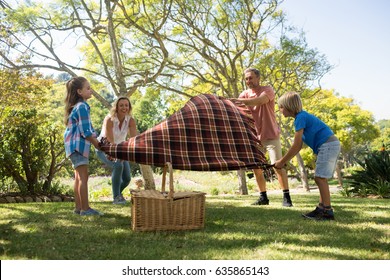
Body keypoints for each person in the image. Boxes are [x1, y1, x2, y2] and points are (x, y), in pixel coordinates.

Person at [275, 92, 341, 220]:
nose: (280, 110)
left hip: (327, 145)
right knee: (320, 178)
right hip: (329, 145)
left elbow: (297, 145)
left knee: (320, 178)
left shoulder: (300, 117)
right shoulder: (301, 117)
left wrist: (282, 161)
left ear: (289, 106)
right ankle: (321, 208)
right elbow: (299, 146)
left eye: (281, 107)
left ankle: (327, 211)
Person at [235, 68, 292, 207]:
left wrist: (238, 101)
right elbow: (236, 106)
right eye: (247, 79)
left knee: (277, 165)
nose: (249, 81)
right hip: (254, 137)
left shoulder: (268, 90)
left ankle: (286, 198)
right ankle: (263, 198)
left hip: (270, 135)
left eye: (251, 78)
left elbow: (259, 101)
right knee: (256, 168)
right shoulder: (245, 94)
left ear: (258, 78)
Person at [64, 76, 103, 216]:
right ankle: (86, 209)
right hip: (78, 146)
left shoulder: (77, 107)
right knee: (83, 177)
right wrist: (98, 145)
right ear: (79, 91)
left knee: (78, 178)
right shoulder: (82, 107)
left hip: (72, 146)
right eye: (88, 88)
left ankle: (78, 208)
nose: (90, 90)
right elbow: (86, 132)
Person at [96, 97, 137, 204]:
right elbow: (110, 140)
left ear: (129, 107)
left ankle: (118, 194)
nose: (124, 107)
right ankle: (116, 198)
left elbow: (133, 140)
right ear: (116, 107)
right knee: (118, 166)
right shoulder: (109, 119)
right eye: (121, 105)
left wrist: (127, 154)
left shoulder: (131, 120)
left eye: (126, 105)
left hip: (120, 150)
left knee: (127, 178)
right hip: (104, 148)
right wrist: (119, 155)